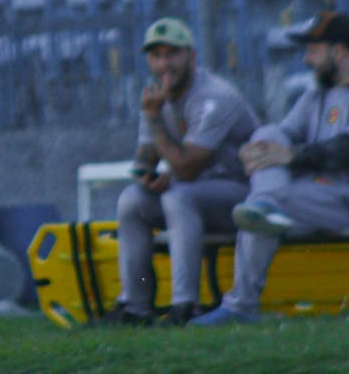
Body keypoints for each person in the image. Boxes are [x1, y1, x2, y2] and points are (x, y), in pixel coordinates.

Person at [204, 11, 349, 328]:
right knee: (266, 135)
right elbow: (283, 135)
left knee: (265, 207)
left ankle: (241, 306)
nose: (306, 58)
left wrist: (289, 157)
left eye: (313, 50)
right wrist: (259, 150)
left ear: (338, 51)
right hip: (313, 193)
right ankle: (264, 204)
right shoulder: (318, 95)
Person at [107, 19, 261, 328]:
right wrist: (147, 175)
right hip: (197, 193)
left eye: (172, 54)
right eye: (156, 55)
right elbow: (145, 160)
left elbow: (188, 168)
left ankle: (184, 304)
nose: (164, 63)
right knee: (131, 201)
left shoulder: (216, 96)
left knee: (179, 197)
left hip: (244, 193)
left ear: (191, 55)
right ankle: (136, 307)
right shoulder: (157, 96)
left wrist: (154, 122)